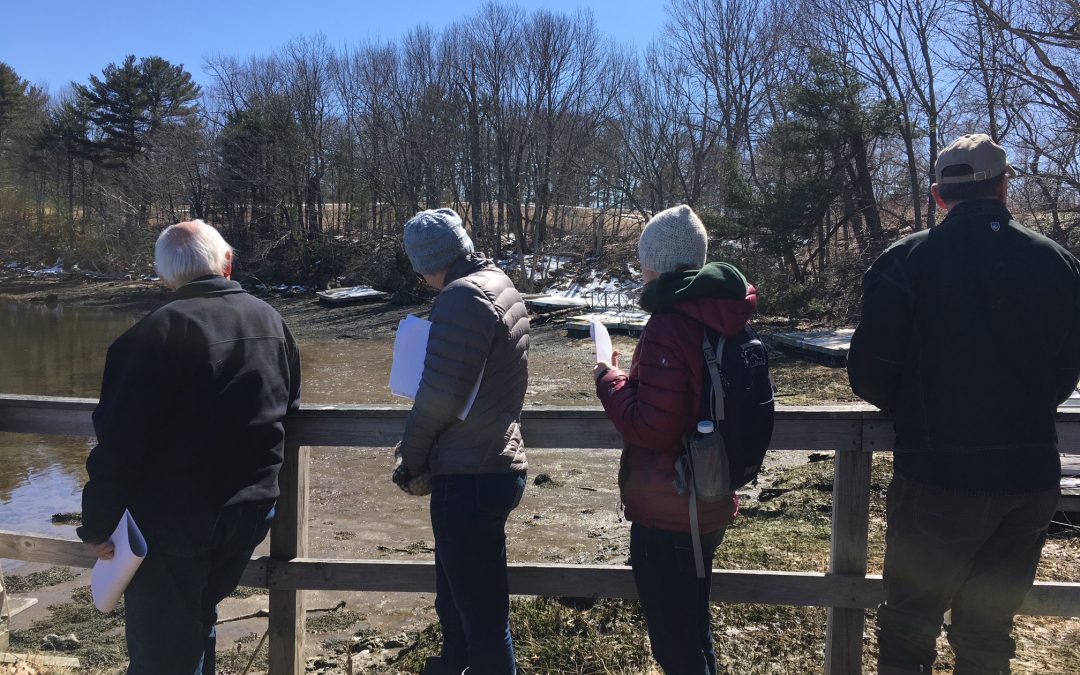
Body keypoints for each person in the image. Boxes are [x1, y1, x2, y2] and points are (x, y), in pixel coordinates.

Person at [848, 133, 1080, 674]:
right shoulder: (1058, 264)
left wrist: (923, 414)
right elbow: (1067, 368)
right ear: (1003, 187)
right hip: (1029, 477)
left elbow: (869, 373)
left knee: (909, 624)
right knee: (987, 630)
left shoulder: (907, 261)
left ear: (937, 195)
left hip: (938, 477)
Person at [77, 220, 302, 675]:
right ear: (226, 263)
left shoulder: (153, 333)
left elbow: (119, 443)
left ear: (166, 277)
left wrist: (97, 523)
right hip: (252, 510)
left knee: (164, 652)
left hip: (176, 519)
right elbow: (288, 407)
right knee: (198, 619)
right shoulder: (270, 320)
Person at [593, 204, 759, 674]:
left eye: (644, 263)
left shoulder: (670, 324)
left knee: (676, 645)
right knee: (692, 629)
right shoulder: (722, 313)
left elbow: (653, 427)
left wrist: (609, 379)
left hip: (672, 508)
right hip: (712, 493)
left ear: (656, 265)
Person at [391, 208, 530, 675]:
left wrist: (410, 460)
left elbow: (440, 397)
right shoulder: (498, 283)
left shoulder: (461, 297)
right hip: (496, 462)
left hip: (469, 474)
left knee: (482, 621)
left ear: (426, 263)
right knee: (461, 607)